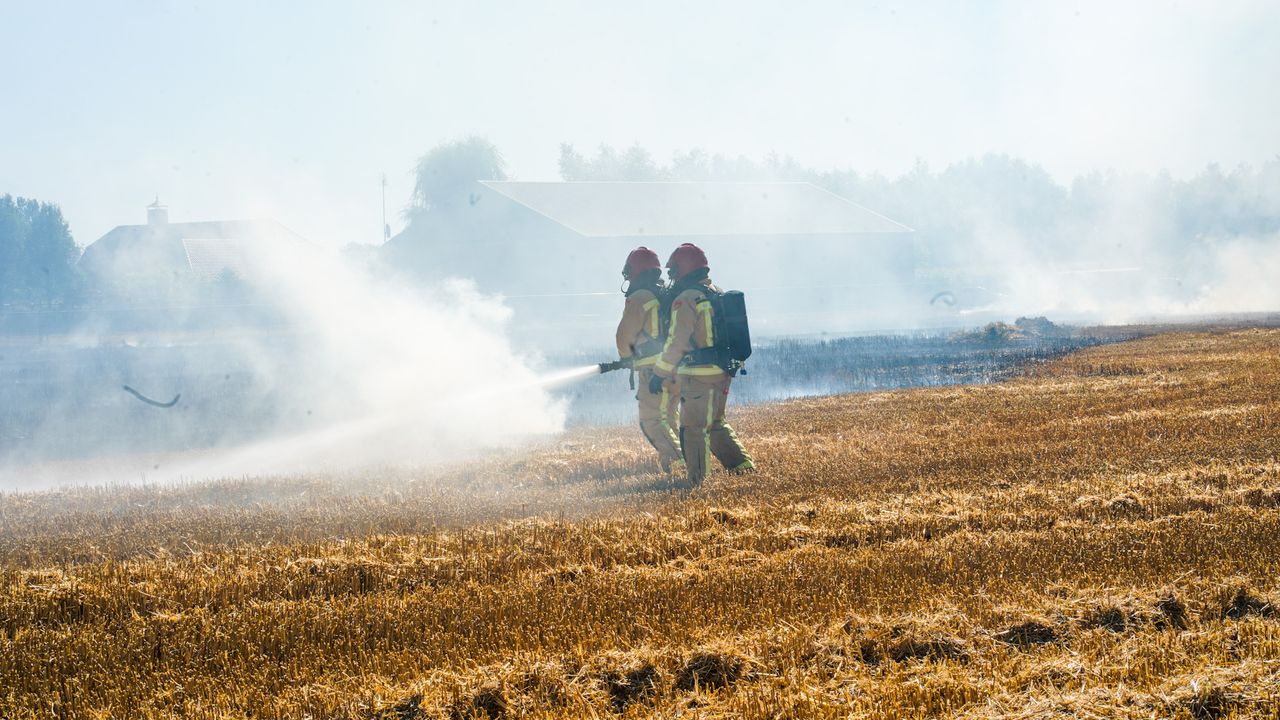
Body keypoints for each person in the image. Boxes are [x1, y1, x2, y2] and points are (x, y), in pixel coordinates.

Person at [651, 243, 753, 486]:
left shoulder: (687, 298)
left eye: (673, 272)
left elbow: (677, 341)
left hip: (698, 374)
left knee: (693, 429)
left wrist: (659, 373)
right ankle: (742, 467)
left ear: (683, 269)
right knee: (715, 423)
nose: (672, 277)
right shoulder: (715, 292)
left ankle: (697, 481)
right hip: (722, 371)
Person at [615, 247, 684, 475]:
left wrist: (626, 357)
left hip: (653, 370)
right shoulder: (665, 294)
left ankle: (679, 462)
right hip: (675, 368)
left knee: (652, 420)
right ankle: (673, 465)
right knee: (668, 418)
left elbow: (624, 335)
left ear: (632, 270)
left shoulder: (639, 298)